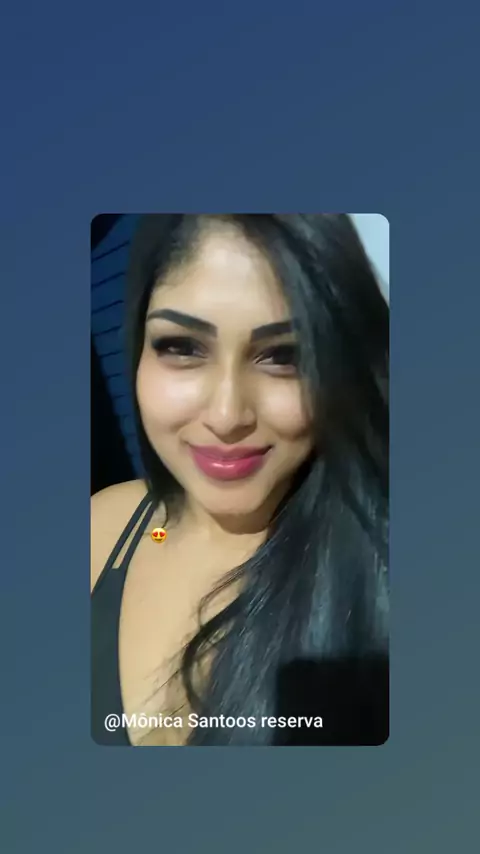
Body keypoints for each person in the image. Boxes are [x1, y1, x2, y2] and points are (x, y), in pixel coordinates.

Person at [91, 214, 389, 746]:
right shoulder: (102, 523)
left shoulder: (381, 574)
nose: (227, 416)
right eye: (182, 346)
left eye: (284, 356)